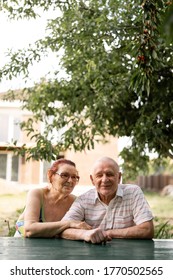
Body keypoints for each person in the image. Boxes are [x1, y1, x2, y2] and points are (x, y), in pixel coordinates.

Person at [60, 157, 154, 243]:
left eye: (109, 174)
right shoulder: (83, 200)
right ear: (92, 180)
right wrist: (84, 234)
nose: (104, 180)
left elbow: (147, 230)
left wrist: (108, 233)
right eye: (99, 175)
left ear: (119, 177)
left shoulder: (133, 193)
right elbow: (63, 229)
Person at [14, 158, 91, 238]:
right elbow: (29, 230)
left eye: (74, 177)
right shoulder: (37, 194)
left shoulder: (76, 202)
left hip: (52, 248)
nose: (70, 181)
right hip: (21, 246)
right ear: (51, 175)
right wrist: (69, 223)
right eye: (64, 175)